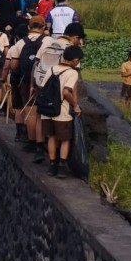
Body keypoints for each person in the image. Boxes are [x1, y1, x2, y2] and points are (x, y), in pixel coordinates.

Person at [42, 44, 83, 178]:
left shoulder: (51, 69)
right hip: (62, 112)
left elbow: (42, 88)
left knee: (52, 137)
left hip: (47, 110)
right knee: (65, 139)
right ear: (75, 60)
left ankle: (51, 165)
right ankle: (61, 166)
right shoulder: (72, 73)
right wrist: (75, 105)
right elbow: (66, 92)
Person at [5, 16, 47, 145]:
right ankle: (44, 144)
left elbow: (14, 66)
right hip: (47, 82)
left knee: (31, 113)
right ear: (44, 27)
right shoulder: (49, 41)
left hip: (26, 81)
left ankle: (31, 141)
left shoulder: (20, 43)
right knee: (43, 115)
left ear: (29, 27)